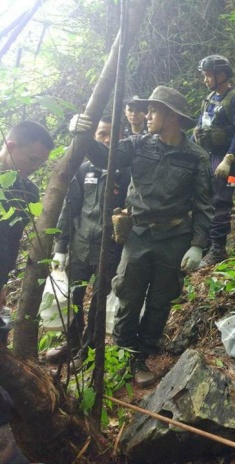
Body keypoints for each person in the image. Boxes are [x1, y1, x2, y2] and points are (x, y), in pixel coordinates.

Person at [68, 86, 214, 387]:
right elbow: (103, 158)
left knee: (161, 300)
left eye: (153, 110)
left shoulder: (196, 157)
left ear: (170, 116)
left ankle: (141, 355)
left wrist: (198, 245)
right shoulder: (137, 144)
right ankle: (124, 353)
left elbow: (204, 205)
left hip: (175, 237)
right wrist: (80, 133)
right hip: (138, 234)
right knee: (127, 294)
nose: (146, 116)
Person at [45, 117, 131, 367]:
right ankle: (71, 343)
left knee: (99, 300)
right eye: (102, 134)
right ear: (94, 137)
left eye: (113, 135)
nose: (107, 140)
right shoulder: (83, 170)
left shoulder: (126, 173)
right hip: (80, 245)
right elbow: (69, 208)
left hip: (109, 248)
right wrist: (61, 247)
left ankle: (88, 348)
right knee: (72, 297)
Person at [194, 54, 235, 266]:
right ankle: (207, 242)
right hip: (208, 157)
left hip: (228, 161)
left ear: (222, 75)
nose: (205, 80)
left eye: (208, 76)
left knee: (221, 201)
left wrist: (228, 160)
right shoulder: (209, 99)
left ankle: (218, 248)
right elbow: (199, 129)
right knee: (205, 199)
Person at [0, 121, 54, 308]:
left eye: (41, 162)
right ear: (10, 147)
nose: (36, 167)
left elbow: (11, 239)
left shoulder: (28, 191)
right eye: (32, 159)